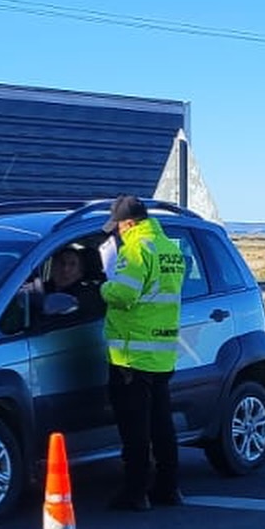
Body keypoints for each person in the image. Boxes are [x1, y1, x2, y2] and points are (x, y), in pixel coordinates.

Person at [99, 194, 186, 511]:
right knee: (162, 425)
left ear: (129, 223)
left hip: (130, 355)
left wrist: (102, 285)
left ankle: (135, 492)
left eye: (118, 226)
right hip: (161, 353)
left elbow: (123, 294)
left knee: (134, 430)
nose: (117, 233)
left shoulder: (135, 249)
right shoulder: (169, 248)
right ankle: (168, 487)